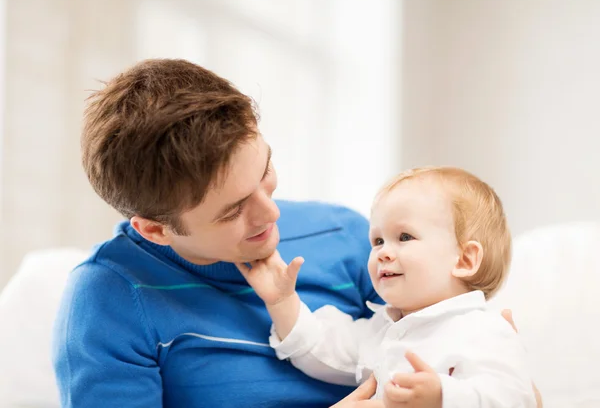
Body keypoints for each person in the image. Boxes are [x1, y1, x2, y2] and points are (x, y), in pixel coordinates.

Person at [52, 59, 540, 408]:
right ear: (156, 229)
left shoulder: (348, 234)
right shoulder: (107, 301)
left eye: (265, 171)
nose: (270, 216)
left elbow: (460, 352)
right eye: (233, 210)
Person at [237, 167, 538, 407]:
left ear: (465, 259)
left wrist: (443, 397)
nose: (383, 252)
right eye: (377, 240)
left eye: (404, 237)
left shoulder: (483, 329)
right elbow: (319, 348)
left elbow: (516, 398)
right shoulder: (383, 329)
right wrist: (281, 301)